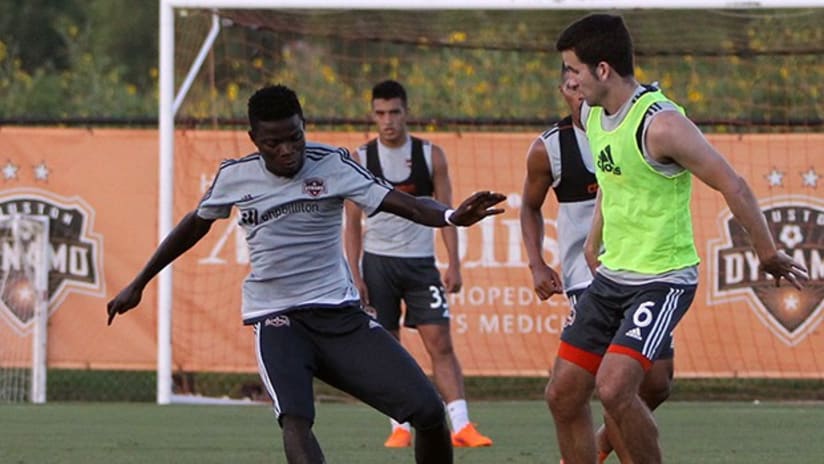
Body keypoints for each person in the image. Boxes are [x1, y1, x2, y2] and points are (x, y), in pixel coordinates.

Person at [106, 84, 506, 464]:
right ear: (253, 138)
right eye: (273, 143)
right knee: (296, 420)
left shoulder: (332, 164)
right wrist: (139, 282)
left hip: (340, 316)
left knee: (429, 411)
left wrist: (452, 216)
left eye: (294, 138)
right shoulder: (234, 177)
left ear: (304, 126)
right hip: (278, 320)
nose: (287, 151)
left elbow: (406, 204)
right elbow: (193, 226)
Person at [546, 14, 808, 464]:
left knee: (613, 387)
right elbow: (614, 181)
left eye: (573, 70)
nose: (567, 81)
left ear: (603, 70)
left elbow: (734, 184)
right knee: (563, 394)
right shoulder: (591, 115)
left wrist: (766, 252)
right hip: (613, 277)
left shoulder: (661, 125)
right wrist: (594, 241)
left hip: (663, 278)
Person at [521, 67, 677, 464]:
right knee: (614, 386)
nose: (578, 94)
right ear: (562, 90)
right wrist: (537, 263)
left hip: (643, 271)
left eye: (582, 84)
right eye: (570, 87)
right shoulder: (550, 148)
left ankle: (597, 446)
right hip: (587, 279)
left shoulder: (639, 125)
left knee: (657, 384)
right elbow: (530, 207)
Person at [344, 80, 493, 449]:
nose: (388, 120)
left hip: (421, 264)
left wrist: (454, 263)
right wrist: (355, 273)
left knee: (439, 343)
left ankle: (461, 425)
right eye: (380, 113)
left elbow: (450, 214)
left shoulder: (431, 156)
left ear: (406, 112)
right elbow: (351, 223)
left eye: (394, 112)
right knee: (388, 347)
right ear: (373, 115)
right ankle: (399, 426)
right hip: (378, 264)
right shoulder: (361, 159)